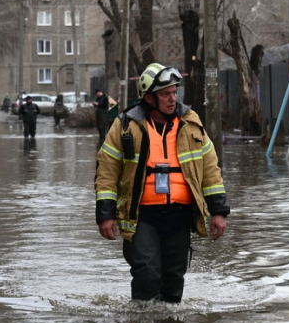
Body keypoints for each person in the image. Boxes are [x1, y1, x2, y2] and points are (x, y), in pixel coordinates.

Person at [94, 63, 230, 304]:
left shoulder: (191, 123)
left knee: (173, 282)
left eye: (174, 92)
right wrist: (105, 214)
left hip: (179, 216)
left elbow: (210, 170)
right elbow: (106, 171)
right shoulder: (126, 125)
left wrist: (219, 211)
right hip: (142, 215)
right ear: (149, 98)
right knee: (146, 274)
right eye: (165, 94)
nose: (172, 98)